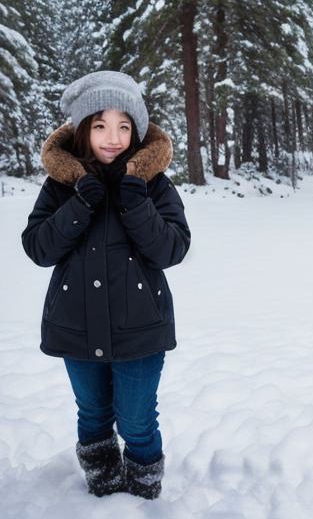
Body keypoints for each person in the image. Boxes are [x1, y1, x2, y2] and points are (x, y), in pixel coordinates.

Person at [21, 70, 190, 499]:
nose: (112, 136)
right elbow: (39, 248)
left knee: (136, 420)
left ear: (136, 131)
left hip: (140, 331)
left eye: (123, 125)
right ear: (82, 130)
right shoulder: (62, 186)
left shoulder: (153, 185)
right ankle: (101, 487)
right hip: (76, 329)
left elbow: (171, 249)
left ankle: (143, 490)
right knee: (93, 415)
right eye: (100, 125)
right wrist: (80, 203)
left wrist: (135, 202)